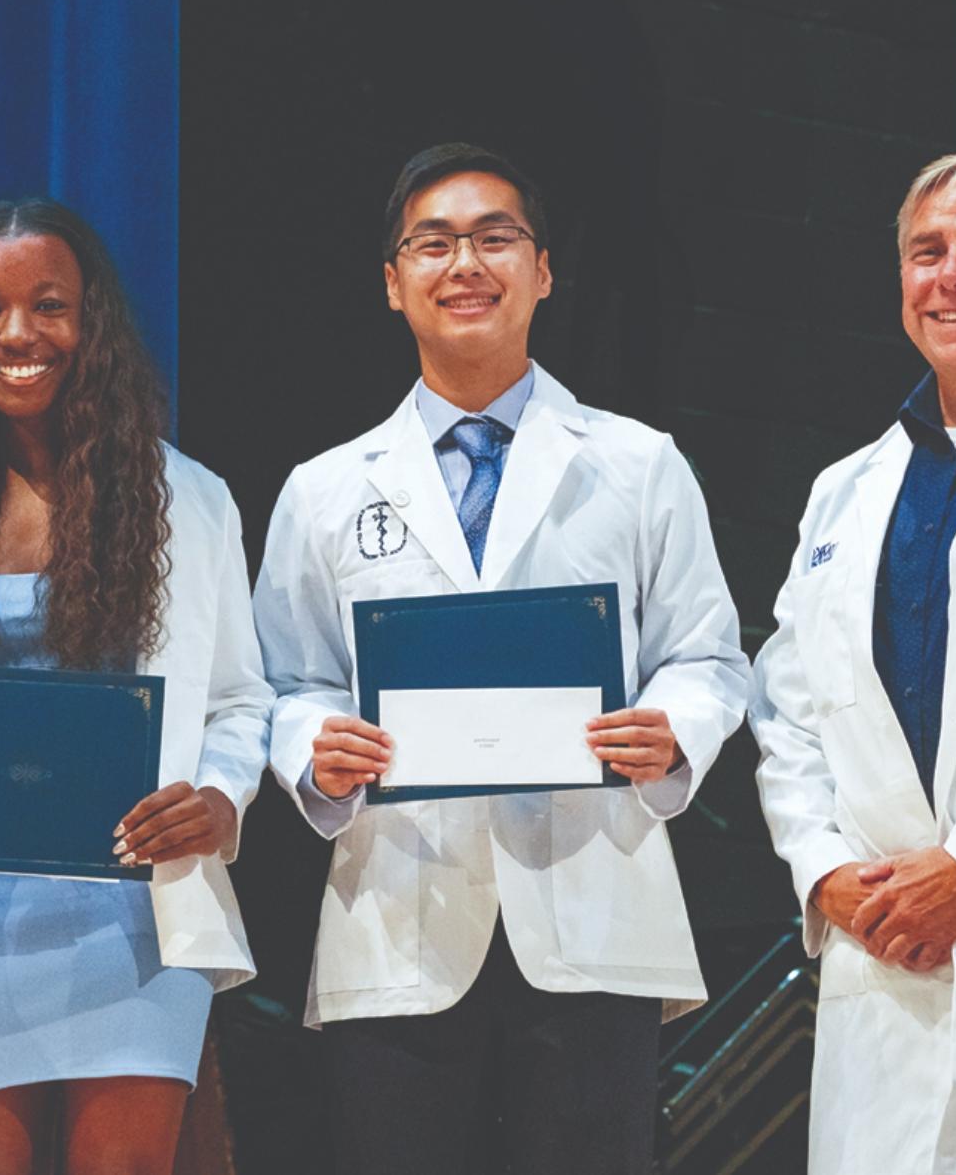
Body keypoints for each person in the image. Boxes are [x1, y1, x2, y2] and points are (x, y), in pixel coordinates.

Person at [250, 144, 749, 1174]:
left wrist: (671, 731)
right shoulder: (325, 489)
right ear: (392, 284)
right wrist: (314, 749)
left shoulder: (635, 462)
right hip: (398, 917)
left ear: (543, 270)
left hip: (591, 910)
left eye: (493, 238)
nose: (463, 263)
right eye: (431, 244)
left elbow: (704, 655)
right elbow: (287, 682)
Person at [0, 198, 272, 1175]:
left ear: (92, 323)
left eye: (47, 305)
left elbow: (240, 703)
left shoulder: (186, 500)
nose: (16, 333)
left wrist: (215, 800)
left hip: (134, 918)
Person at [753, 150, 956, 1172]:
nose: (950, 275)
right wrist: (821, 868)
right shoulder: (842, 490)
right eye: (926, 253)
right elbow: (784, 709)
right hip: (883, 964)